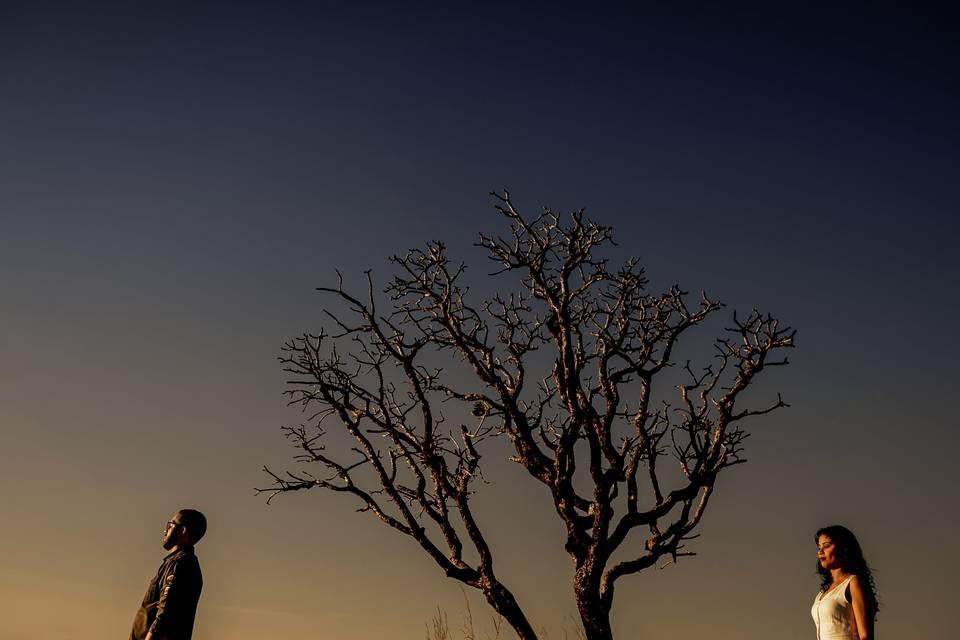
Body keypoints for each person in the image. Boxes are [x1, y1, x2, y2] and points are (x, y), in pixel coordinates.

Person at [130, 509, 206, 640]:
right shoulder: (174, 562)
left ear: (182, 530)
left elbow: (166, 613)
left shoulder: (181, 564)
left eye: (170, 525)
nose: (165, 531)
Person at [811, 525, 878, 640]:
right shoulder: (823, 593)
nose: (820, 551)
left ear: (843, 548)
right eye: (819, 547)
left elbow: (865, 636)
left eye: (827, 546)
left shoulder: (853, 583)